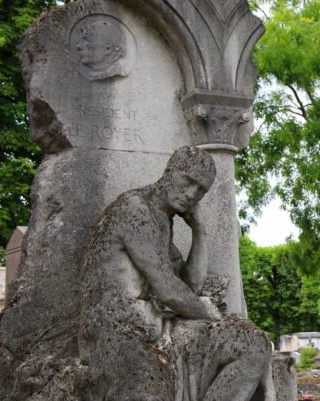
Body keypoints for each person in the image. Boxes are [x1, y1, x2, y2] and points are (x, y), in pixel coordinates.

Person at [78, 146, 269, 401]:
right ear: (170, 172)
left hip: (156, 331)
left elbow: (191, 286)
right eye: (189, 181)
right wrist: (210, 315)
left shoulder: (162, 220)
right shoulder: (135, 210)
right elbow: (170, 291)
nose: (192, 195)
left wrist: (199, 230)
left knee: (253, 344)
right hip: (118, 333)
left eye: (201, 190)